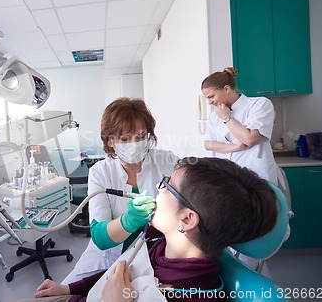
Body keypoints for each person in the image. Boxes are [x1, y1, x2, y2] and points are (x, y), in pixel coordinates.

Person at [21, 157, 278, 302]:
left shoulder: (198, 295)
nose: (159, 188)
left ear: (187, 220)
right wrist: (69, 289)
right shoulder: (158, 241)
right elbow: (119, 270)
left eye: (167, 185)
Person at [61, 97, 179, 284]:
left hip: (156, 253)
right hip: (106, 258)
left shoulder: (167, 161)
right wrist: (129, 221)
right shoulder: (100, 172)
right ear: (111, 142)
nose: (135, 143)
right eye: (125, 138)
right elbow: (100, 237)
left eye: (141, 137)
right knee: (62, 293)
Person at [201, 67, 284, 188]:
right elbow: (208, 144)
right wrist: (235, 147)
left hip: (257, 177)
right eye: (207, 98)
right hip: (227, 177)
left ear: (226, 89)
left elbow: (250, 139)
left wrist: (227, 118)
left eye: (211, 96)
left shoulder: (259, 104)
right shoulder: (214, 116)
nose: (209, 102)